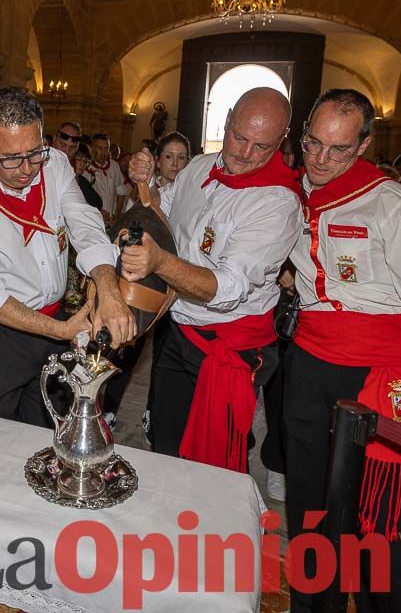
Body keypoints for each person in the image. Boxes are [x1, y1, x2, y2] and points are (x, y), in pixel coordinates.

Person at [284, 89, 401, 613]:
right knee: (310, 506)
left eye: (338, 150)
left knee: (383, 524)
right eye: (313, 143)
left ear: (365, 144)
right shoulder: (291, 193)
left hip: (379, 374)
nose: (320, 160)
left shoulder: (391, 204)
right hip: (308, 366)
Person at [122, 88, 300, 471]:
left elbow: (227, 288)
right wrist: (146, 185)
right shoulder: (200, 166)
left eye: (261, 145)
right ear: (228, 118)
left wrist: (160, 262)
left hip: (229, 345)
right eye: (239, 136)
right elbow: (164, 211)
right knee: (167, 443)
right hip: (181, 328)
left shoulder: (277, 203)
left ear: (282, 142)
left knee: (212, 462)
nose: (244, 153)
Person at [0, 86, 135, 426]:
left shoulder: (54, 163)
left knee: (50, 429)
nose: (26, 168)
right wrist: (60, 330)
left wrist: (109, 290)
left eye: (35, 152)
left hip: (55, 321)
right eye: (11, 158)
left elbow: (84, 224)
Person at [88, 132, 127, 220]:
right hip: (92, 217)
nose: (103, 152)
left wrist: (116, 215)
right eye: (99, 148)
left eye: (106, 148)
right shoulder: (86, 166)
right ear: (92, 148)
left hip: (110, 216)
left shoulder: (114, 165)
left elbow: (121, 192)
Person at [71, 144, 103, 211]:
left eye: (86, 161)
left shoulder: (83, 181)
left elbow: (98, 203)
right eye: (79, 159)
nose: (82, 164)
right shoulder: (66, 179)